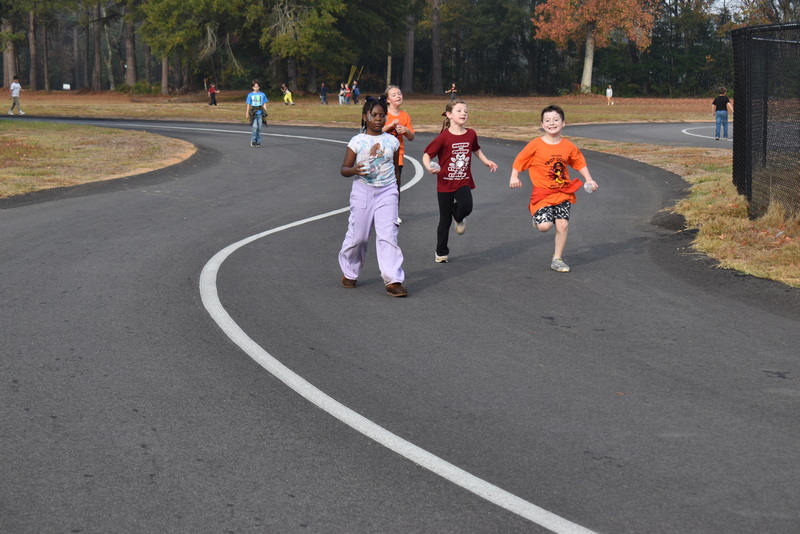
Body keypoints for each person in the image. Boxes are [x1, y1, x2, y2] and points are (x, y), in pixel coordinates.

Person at [509, 104, 598, 273]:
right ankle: (537, 218)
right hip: (542, 193)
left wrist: (589, 179)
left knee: (562, 225)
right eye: (547, 120)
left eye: (556, 120)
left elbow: (579, 162)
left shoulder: (568, 146)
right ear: (542, 125)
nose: (552, 123)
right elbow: (520, 160)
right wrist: (514, 176)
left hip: (563, 191)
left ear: (563, 123)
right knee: (545, 226)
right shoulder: (536, 144)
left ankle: (557, 259)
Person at [338, 97, 408, 297]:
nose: (378, 119)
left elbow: (396, 171)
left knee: (388, 237)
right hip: (363, 191)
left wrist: (395, 193)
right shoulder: (357, 141)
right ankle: (350, 271)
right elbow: (344, 169)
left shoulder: (392, 141)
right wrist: (355, 170)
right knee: (358, 237)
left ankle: (393, 280)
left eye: (382, 115)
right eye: (374, 115)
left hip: (387, 192)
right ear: (364, 117)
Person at [422, 99, 498, 263]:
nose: (463, 113)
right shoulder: (444, 137)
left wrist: (486, 161)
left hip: (463, 180)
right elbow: (427, 154)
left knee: (466, 207)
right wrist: (428, 166)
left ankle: (459, 216)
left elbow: (476, 148)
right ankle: (441, 252)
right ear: (449, 115)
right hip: (444, 183)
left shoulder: (471, 134)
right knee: (444, 220)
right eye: (459, 110)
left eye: (466, 111)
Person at [383, 85, 415, 225]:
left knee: (396, 184)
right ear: (388, 99)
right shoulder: (383, 114)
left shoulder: (404, 115)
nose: (398, 96)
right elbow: (375, 130)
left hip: (398, 154)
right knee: (380, 184)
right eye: (394, 94)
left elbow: (411, 136)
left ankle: (394, 213)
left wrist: (405, 130)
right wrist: (389, 126)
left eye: (399, 93)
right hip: (381, 154)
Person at [245, 80, 268, 148]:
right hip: (253, 112)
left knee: (259, 128)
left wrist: (265, 112)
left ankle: (258, 142)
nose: (256, 88)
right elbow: (248, 104)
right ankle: (253, 140)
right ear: (252, 87)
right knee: (255, 127)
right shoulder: (250, 95)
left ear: (259, 87)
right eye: (255, 87)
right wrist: (247, 113)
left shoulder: (262, 94)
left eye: (257, 86)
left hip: (260, 112)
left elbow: (264, 104)